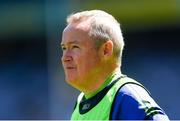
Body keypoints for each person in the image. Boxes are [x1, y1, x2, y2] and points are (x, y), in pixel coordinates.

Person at [61, 10, 169, 120]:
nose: (65, 58)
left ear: (106, 50)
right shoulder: (81, 102)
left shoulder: (126, 98)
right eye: (64, 48)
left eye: (75, 47)